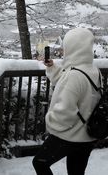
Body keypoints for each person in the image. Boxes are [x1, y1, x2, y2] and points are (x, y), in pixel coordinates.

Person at [33, 28, 101, 175]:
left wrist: (49, 121)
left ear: (74, 48)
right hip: (87, 137)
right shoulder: (93, 70)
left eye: (66, 47)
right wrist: (52, 67)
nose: (63, 51)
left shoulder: (74, 75)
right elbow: (71, 84)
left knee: (39, 163)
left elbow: (64, 113)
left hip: (70, 137)